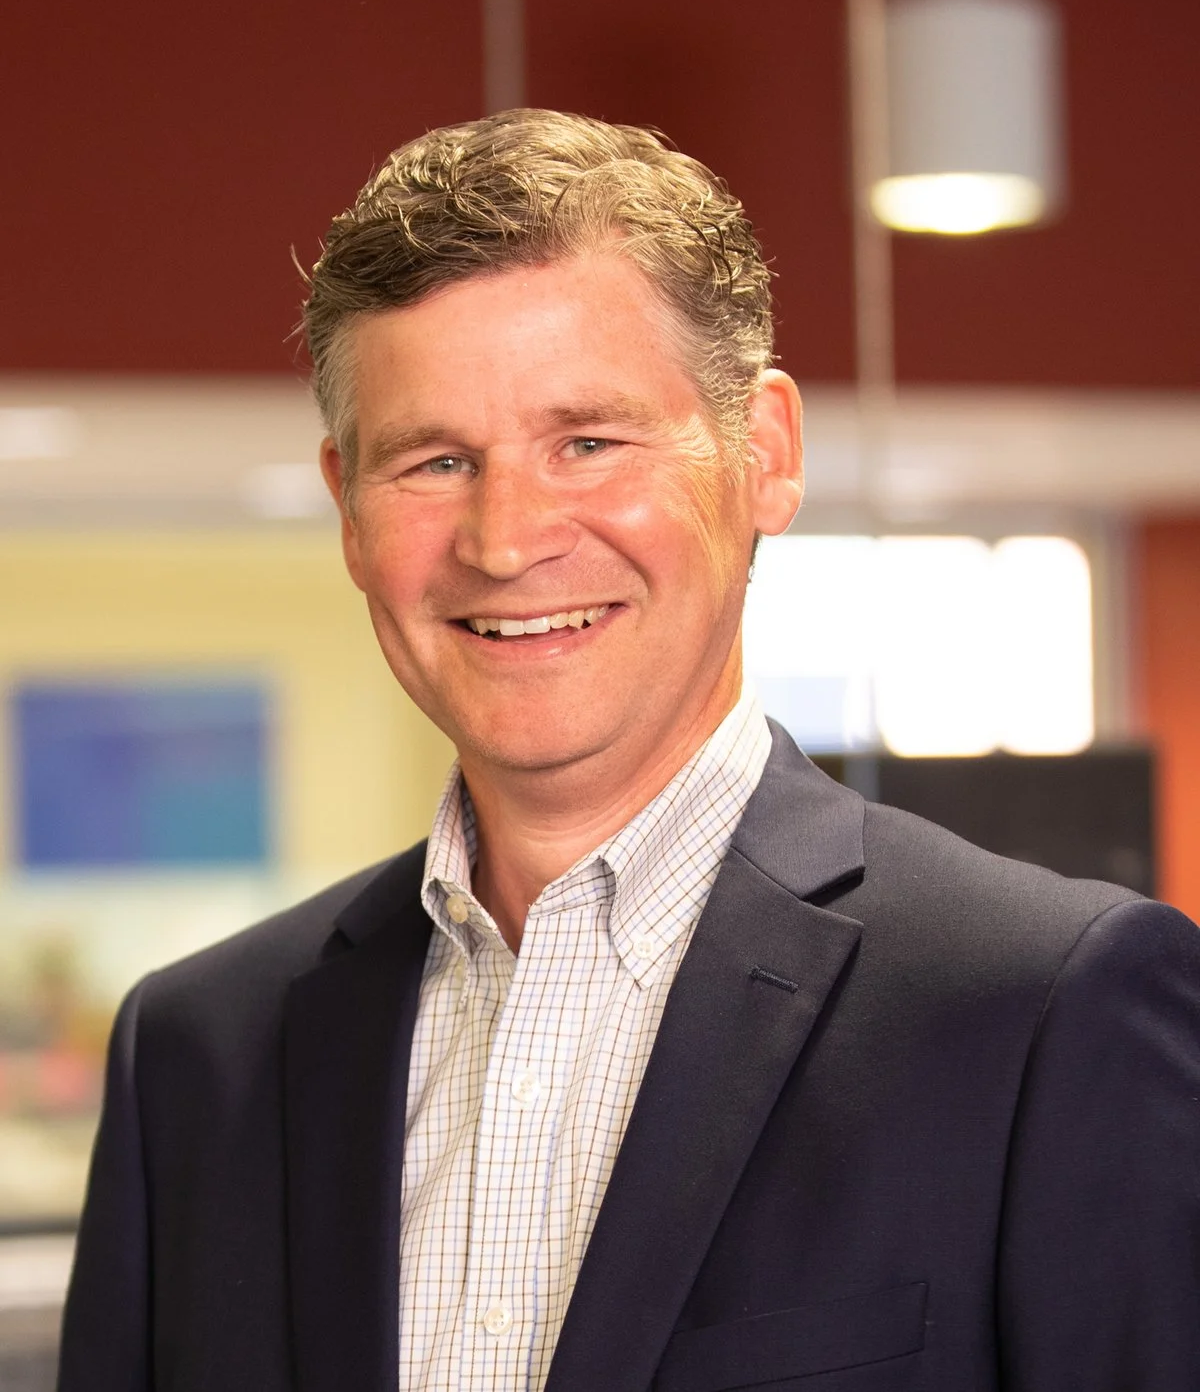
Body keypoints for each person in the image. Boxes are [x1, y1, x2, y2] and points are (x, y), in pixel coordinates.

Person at [59, 109, 1200, 1392]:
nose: (506, 537)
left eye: (588, 441)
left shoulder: (1045, 1008)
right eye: (434, 461)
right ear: (347, 509)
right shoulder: (199, 1054)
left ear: (764, 453)